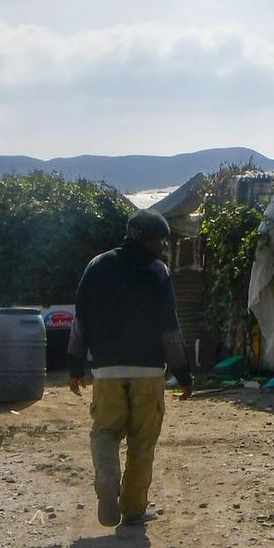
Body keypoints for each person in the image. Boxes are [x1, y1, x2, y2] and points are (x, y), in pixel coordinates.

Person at [68, 209, 193, 528]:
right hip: (149, 372)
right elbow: (170, 329)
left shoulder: (97, 265)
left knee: (105, 432)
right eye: (160, 241)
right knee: (142, 441)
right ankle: (134, 509)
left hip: (107, 370)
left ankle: (107, 482)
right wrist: (183, 374)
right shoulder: (158, 272)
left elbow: (80, 323)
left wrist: (75, 367)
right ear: (145, 240)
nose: (163, 247)